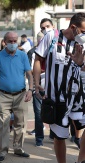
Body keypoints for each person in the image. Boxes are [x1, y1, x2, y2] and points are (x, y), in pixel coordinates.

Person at [34, 12, 85, 163]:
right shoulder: (52, 36)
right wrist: (36, 84)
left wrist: (81, 62)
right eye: (84, 32)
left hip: (77, 95)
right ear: (73, 27)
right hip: (55, 97)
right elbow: (38, 59)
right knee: (60, 136)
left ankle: (80, 162)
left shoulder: (84, 43)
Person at [0, 31, 33, 163]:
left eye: (15, 41)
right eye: (10, 41)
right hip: (3, 95)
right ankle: (3, 151)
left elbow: (29, 74)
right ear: (5, 42)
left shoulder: (22, 55)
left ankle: (18, 148)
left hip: (21, 95)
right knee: (3, 124)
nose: (13, 43)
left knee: (20, 123)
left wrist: (31, 90)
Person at [29, 18, 55, 146]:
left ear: (53, 26)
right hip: (38, 85)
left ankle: (53, 135)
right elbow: (30, 70)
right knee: (39, 113)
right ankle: (39, 138)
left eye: (47, 26)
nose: (45, 30)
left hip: (52, 85)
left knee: (54, 110)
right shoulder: (33, 53)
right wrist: (33, 85)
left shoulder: (57, 47)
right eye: (43, 28)